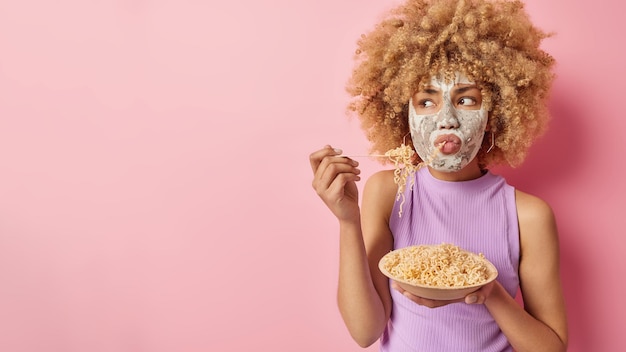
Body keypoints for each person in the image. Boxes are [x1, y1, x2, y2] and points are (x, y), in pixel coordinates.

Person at [308, 0, 568, 351]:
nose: (446, 118)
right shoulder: (388, 192)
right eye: (427, 102)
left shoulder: (528, 215)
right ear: (405, 115)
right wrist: (348, 221)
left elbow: (550, 347)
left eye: (465, 100)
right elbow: (365, 331)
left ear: (493, 115)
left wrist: (488, 293)